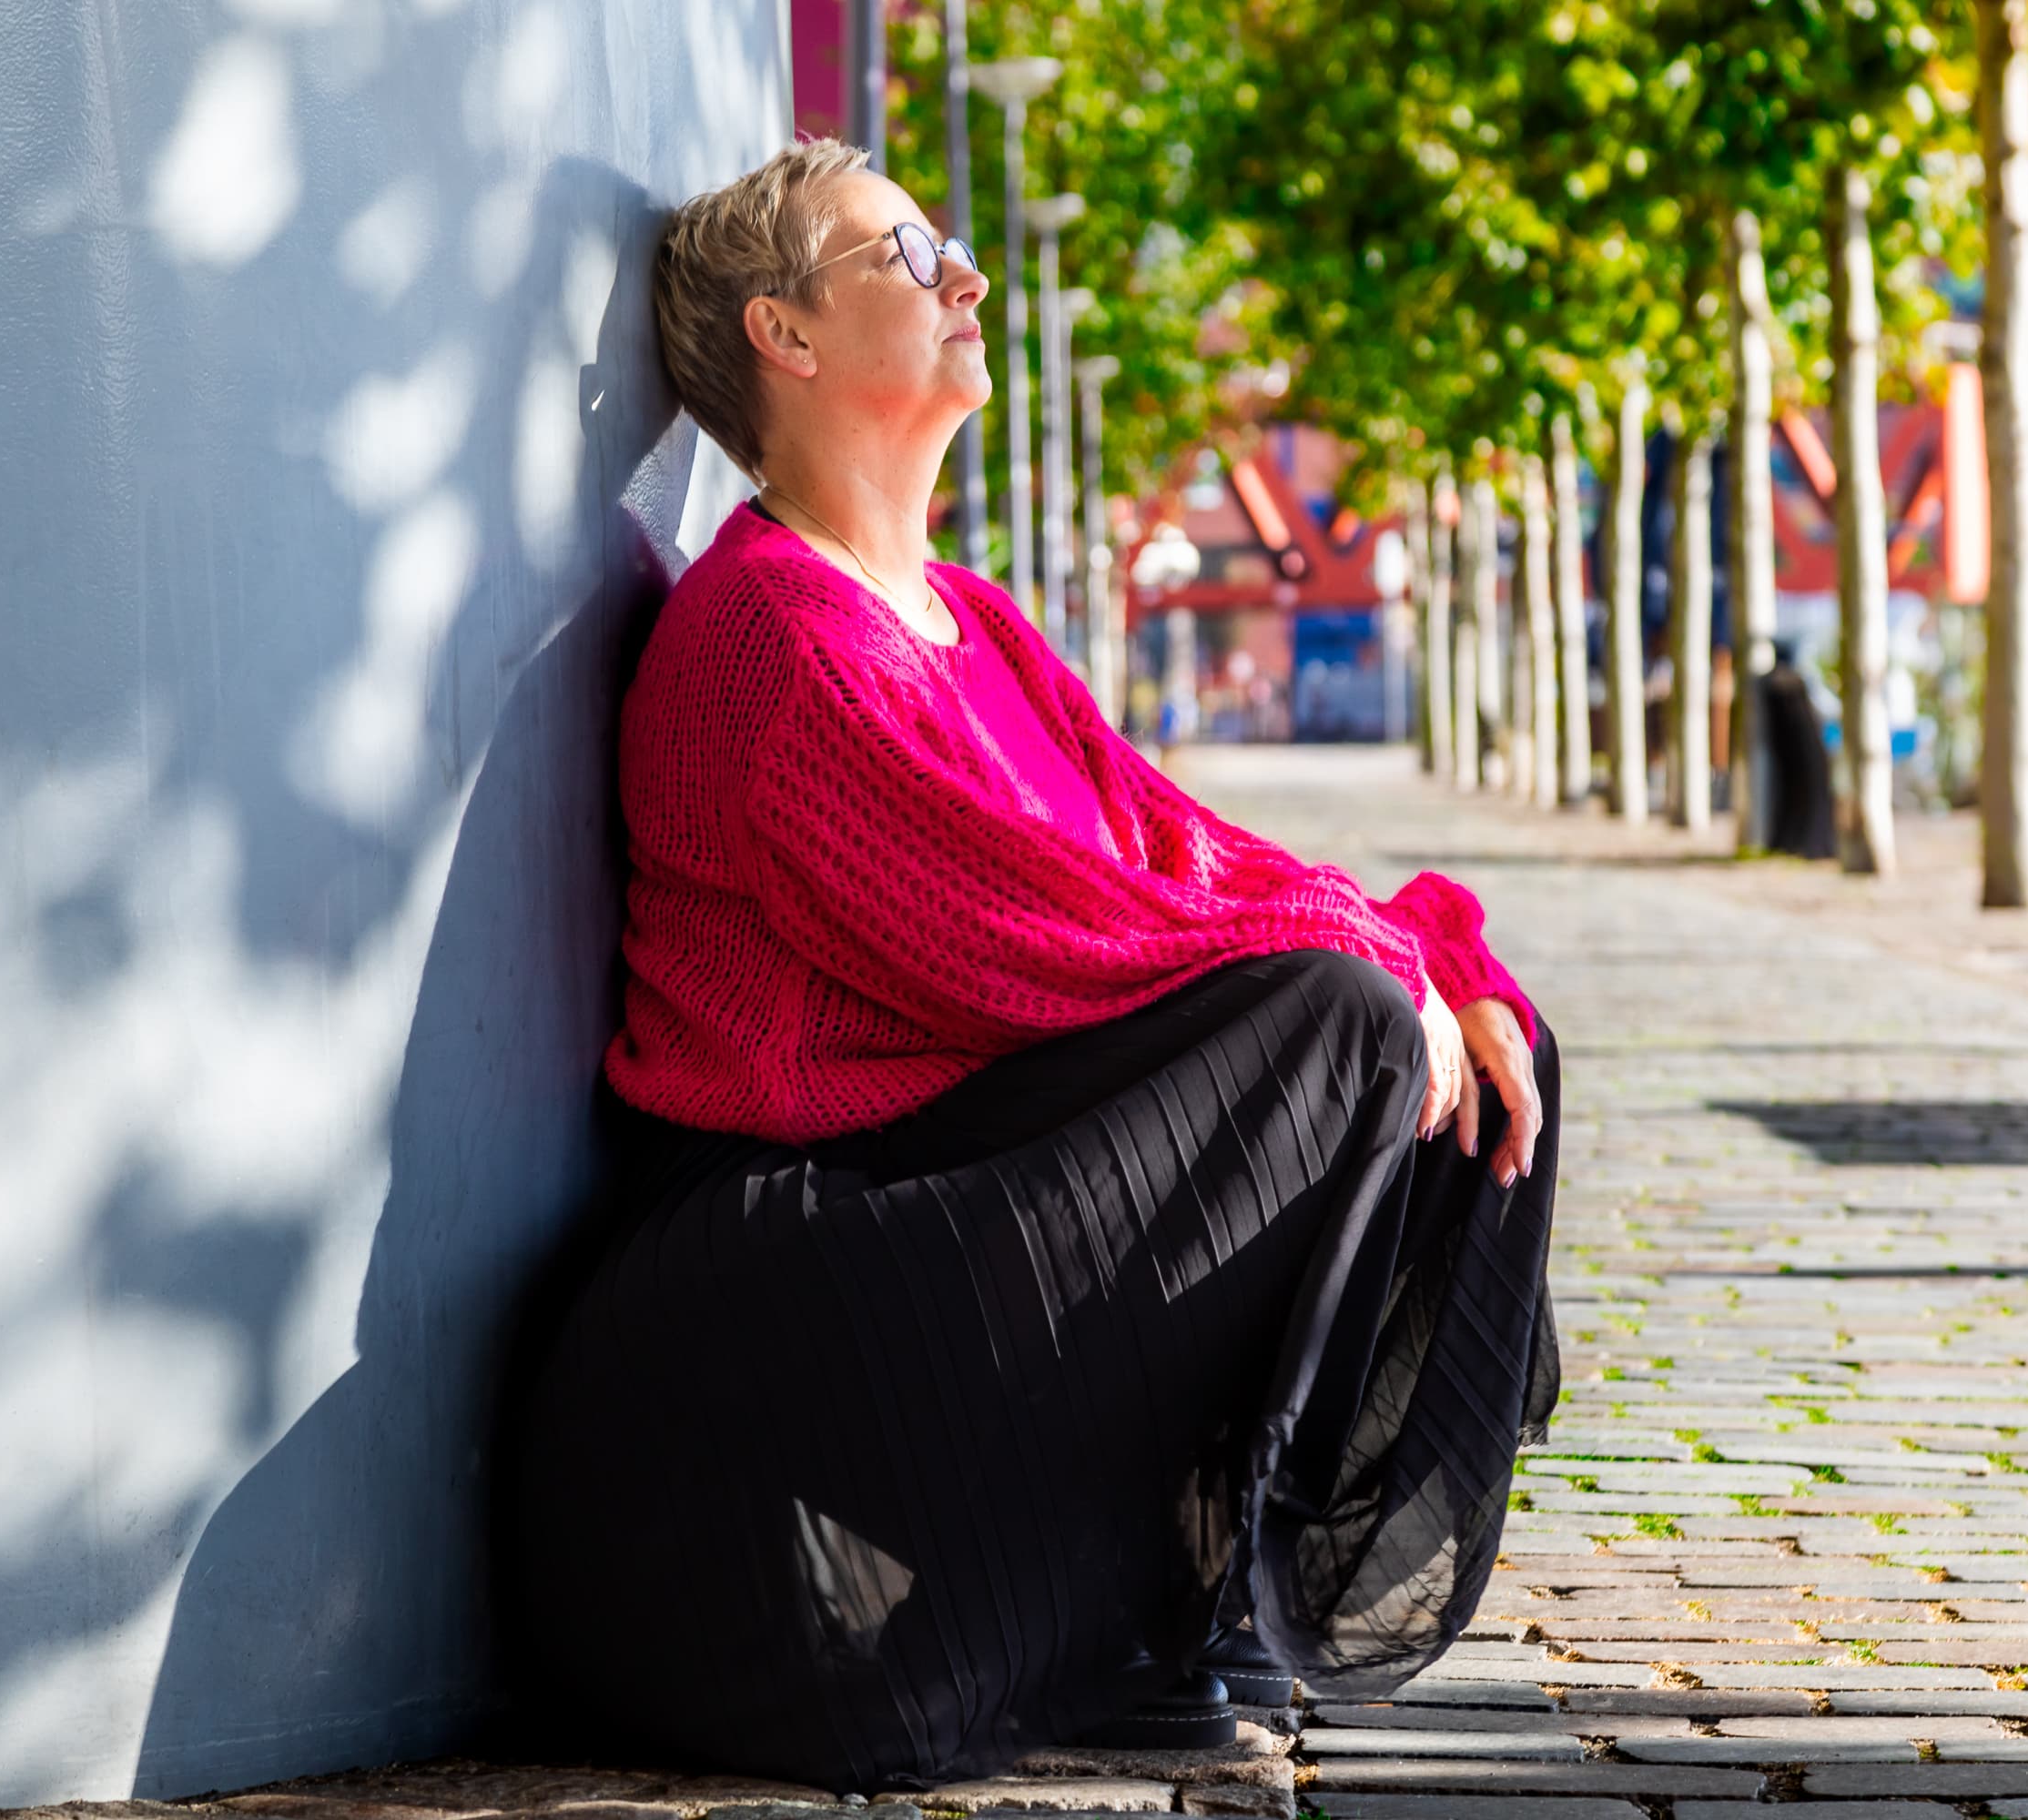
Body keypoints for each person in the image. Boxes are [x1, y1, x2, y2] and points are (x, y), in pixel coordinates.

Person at [499, 139, 1560, 1793]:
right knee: (1346, 1022)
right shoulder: (772, 637)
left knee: (1464, 1029)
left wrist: (1442, 951)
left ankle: (1173, 1597)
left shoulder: (966, 619)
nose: (968, 278)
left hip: (938, 1185)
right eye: (910, 256)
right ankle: (1144, 1610)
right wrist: (1385, 973)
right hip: (786, 1265)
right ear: (785, 333)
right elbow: (1041, 943)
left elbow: (1178, 855)